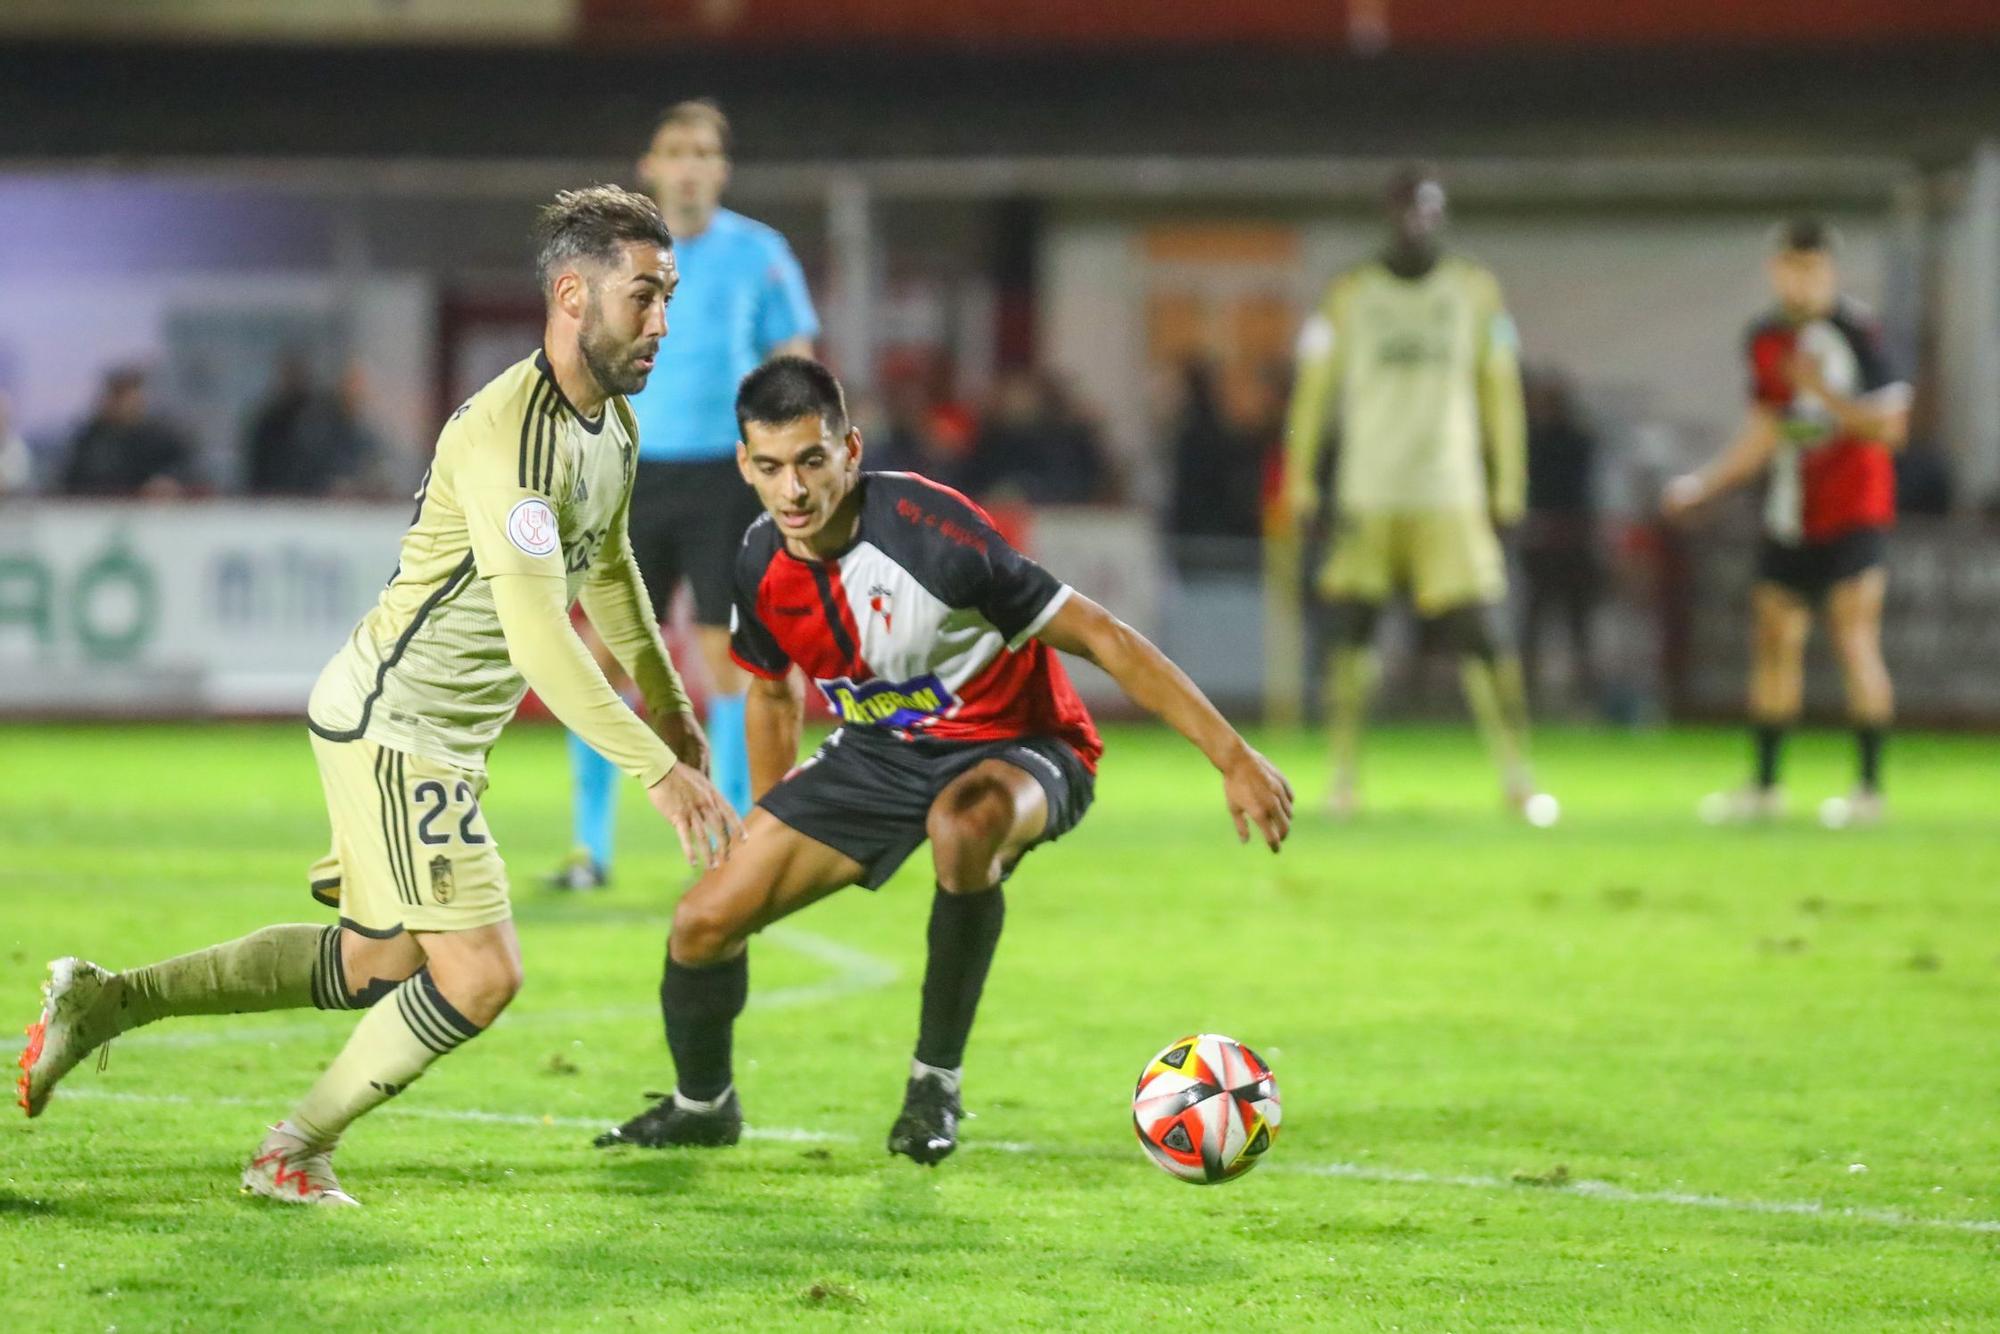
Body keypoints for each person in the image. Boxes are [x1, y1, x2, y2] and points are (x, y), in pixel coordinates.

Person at [17, 185, 740, 1205]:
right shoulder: (509, 435)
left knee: (374, 962)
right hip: (400, 726)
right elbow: (539, 631)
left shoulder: (609, 425)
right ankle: (290, 1147)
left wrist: (670, 702)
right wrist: (656, 771)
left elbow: (609, 566)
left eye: (668, 297)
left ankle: (106, 999)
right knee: (479, 973)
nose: (662, 321)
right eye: (644, 296)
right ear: (572, 294)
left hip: (415, 725)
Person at [592, 357, 1293, 1164]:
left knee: (962, 826)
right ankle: (703, 1105)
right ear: (746, 466)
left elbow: (1103, 636)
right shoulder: (758, 559)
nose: (795, 490)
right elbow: (774, 693)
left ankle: (935, 1084)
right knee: (703, 921)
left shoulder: (935, 534)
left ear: (850, 450)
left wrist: (1232, 756)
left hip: (1023, 745)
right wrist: (773, 811)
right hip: (875, 757)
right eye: (773, 467)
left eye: (813, 461)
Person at [553, 98, 818, 892]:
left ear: (721, 169)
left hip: (725, 476)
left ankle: (732, 835)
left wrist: (792, 453)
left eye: (705, 152)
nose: (691, 165)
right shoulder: (611, 255)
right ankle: (589, 848)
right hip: (628, 473)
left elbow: (794, 353)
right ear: (652, 166)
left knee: (723, 657)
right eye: (677, 150)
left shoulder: (760, 253)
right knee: (604, 657)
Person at [1283, 165, 1545, 819]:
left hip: (1449, 492)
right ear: (1388, 214)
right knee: (1350, 636)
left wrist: (1508, 482)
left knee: (1485, 635)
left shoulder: (1475, 292)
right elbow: (1313, 393)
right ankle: (1342, 780)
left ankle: (1519, 777)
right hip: (1367, 492)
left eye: (1428, 210)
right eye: (1405, 209)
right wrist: (1299, 478)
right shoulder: (1348, 295)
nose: (1416, 222)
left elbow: (1501, 390)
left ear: (1441, 215)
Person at [1663, 218, 1909, 827]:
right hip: (1789, 512)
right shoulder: (1766, 337)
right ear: (1776, 270)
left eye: (1812, 268)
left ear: (1829, 272)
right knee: (1774, 641)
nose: (1800, 281)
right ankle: (1766, 786)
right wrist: (1706, 485)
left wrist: (1822, 393)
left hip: (1854, 511)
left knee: (1855, 639)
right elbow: (1766, 430)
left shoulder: (1859, 332)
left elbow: (1890, 428)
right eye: (1790, 267)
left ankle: (1868, 790)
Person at [1519, 368, 1602, 711]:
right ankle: (1525, 694)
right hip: (1543, 541)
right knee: (1538, 618)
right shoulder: (1534, 440)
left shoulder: (1568, 440)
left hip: (1571, 539)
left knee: (1575, 621)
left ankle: (1585, 693)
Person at [60, 367, 198, 498]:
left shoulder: (162, 437)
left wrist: (168, 481)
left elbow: (187, 468)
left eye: (128, 396)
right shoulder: (91, 439)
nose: (123, 404)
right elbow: (71, 479)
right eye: (116, 395)